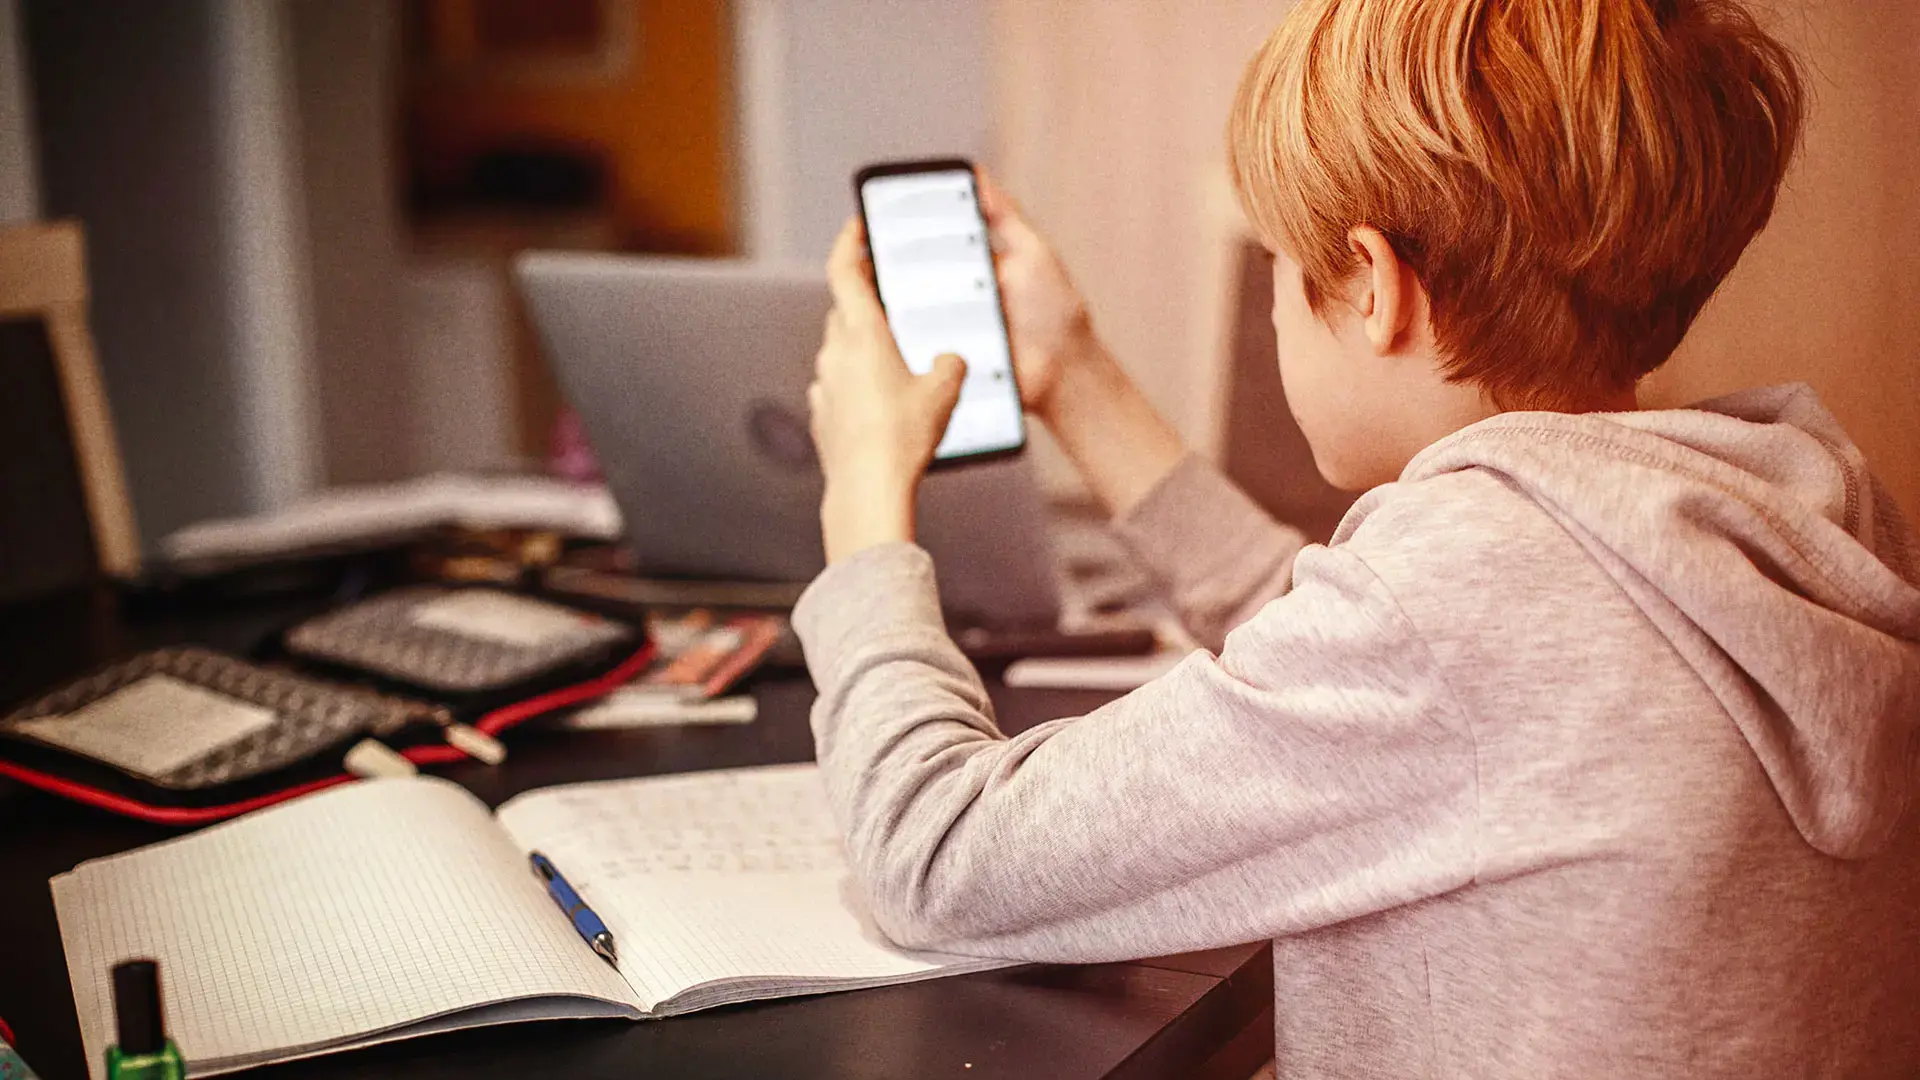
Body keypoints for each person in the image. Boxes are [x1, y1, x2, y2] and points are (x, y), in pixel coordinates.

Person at [798, 0, 1920, 1075]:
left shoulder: (1456, 607)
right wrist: (1077, 383)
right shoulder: (1797, 516)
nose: (1279, 306)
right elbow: (1398, 670)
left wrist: (862, 508)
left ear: (1376, 288)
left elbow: (938, 853)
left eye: (1281, 267)